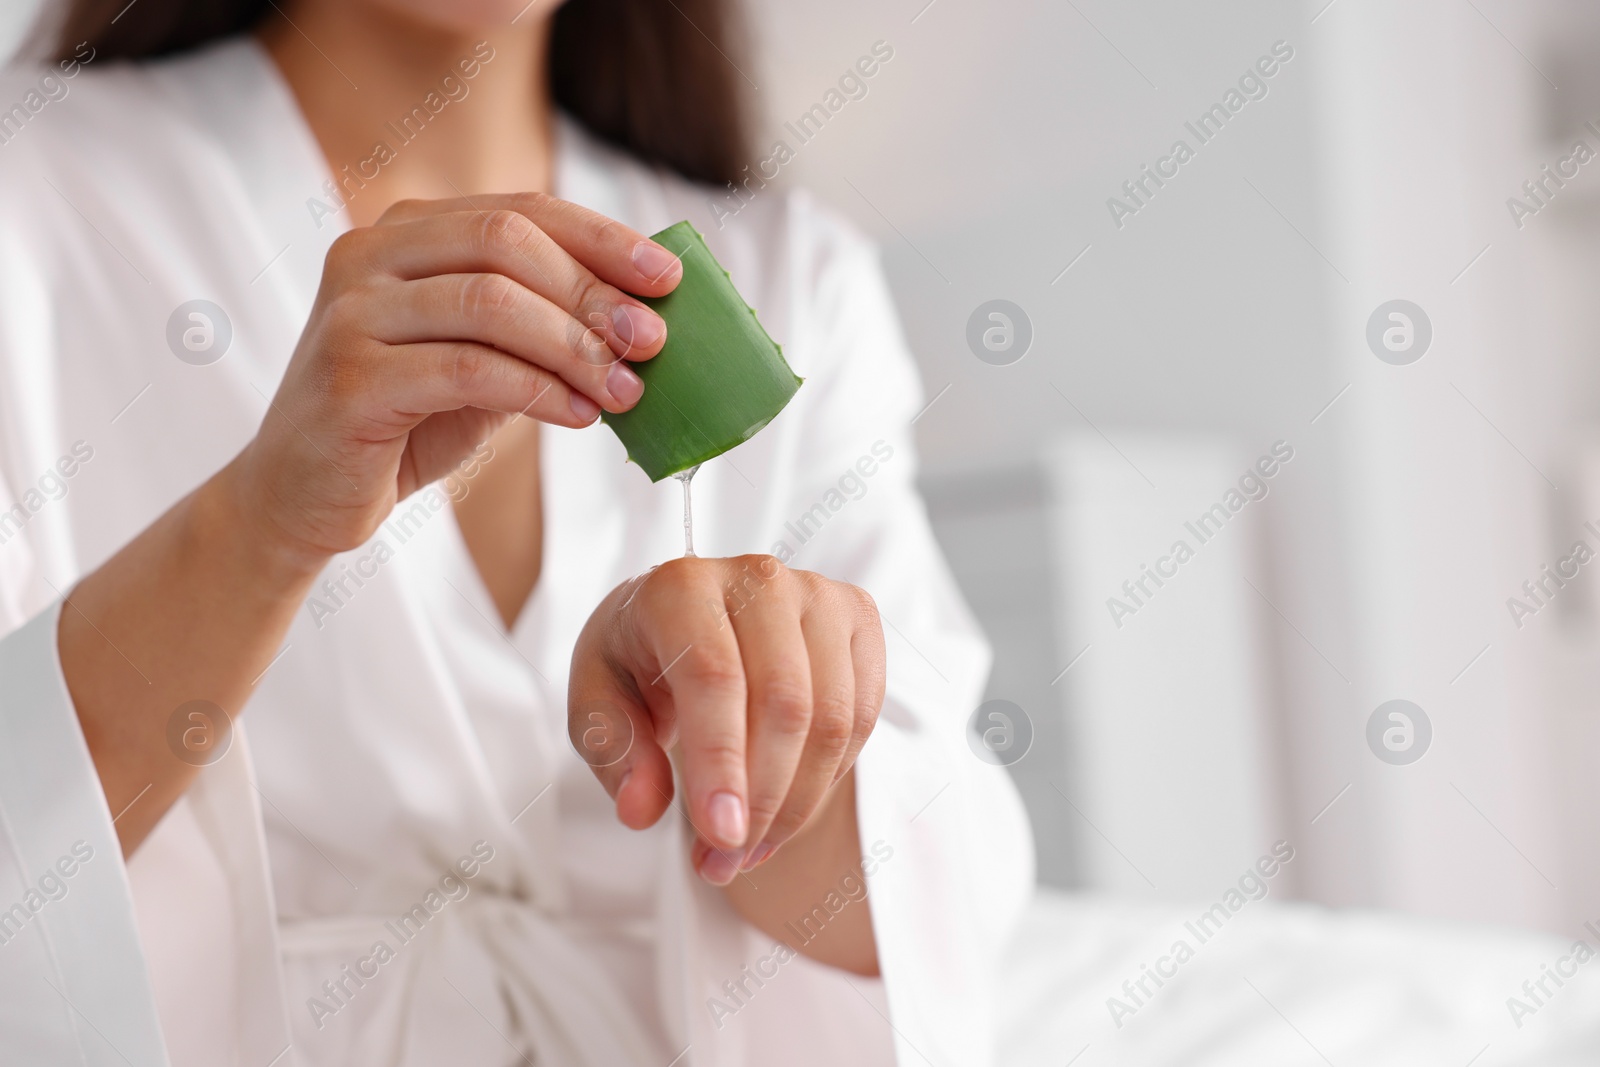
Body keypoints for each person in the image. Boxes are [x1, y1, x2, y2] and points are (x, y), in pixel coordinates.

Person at [0, 0, 1033, 1063]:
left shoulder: (793, 280)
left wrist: (763, 725)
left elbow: (941, 901)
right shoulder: (28, 195)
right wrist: (262, 525)